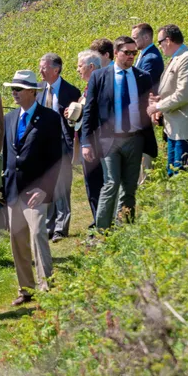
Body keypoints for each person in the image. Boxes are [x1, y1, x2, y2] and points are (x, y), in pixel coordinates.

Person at [2, 70, 62, 305]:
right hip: (13, 191)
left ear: (32, 92)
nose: (14, 93)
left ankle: (46, 286)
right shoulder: (9, 119)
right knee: (17, 242)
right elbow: (7, 155)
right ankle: (25, 289)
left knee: (38, 235)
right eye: (12, 89)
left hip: (37, 191)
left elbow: (56, 158)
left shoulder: (49, 118)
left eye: (17, 89)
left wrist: (45, 189)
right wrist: (2, 188)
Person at [81, 36, 153, 230]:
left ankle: (125, 230)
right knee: (111, 183)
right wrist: (86, 142)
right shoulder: (100, 76)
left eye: (134, 53)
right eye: (126, 52)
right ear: (116, 53)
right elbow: (90, 110)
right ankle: (102, 231)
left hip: (134, 139)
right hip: (109, 140)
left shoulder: (143, 77)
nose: (131, 56)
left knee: (130, 187)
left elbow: (148, 108)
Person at [148, 24, 188, 176]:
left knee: (181, 175)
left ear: (168, 40)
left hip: (185, 128)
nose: (159, 46)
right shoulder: (177, 58)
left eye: (160, 42)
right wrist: (160, 98)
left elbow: (183, 95)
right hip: (174, 127)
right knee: (173, 174)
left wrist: (158, 106)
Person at [37, 53, 81, 242]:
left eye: (44, 67)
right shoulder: (38, 90)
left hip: (62, 144)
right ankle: (48, 225)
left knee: (62, 187)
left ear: (56, 69)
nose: (41, 71)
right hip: (43, 146)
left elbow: (78, 120)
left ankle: (61, 229)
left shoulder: (71, 91)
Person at [69, 51, 104, 223]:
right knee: (92, 185)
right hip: (89, 142)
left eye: (79, 65)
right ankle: (98, 219)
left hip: (94, 144)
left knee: (96, 183)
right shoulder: (90, 86)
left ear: (91, 67)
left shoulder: (97, 86)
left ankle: (102, 222)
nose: (77, 70)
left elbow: (94, 115)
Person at [132, 23, 164, 183]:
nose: (133, 41)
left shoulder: (151, 58)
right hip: (142, 108)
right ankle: (142, 178)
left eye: (135, 37)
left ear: (146, 37)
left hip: (145, 108)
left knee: (145, 145)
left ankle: (146, 179)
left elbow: (143, 84)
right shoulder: (144, 55)